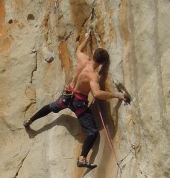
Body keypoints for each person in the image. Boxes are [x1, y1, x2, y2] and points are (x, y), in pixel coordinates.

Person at [24, 32, 129, 168]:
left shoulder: (83, 59)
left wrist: (86, 39)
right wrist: (117, 95)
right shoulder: (93, 75)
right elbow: (96, 94)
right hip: (78, 103)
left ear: (93, 55)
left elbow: (79, 50)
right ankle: (82, 158)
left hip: (67, 95)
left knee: (50, 107)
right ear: (103, 63)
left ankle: (30, 120)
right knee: (92, 133)